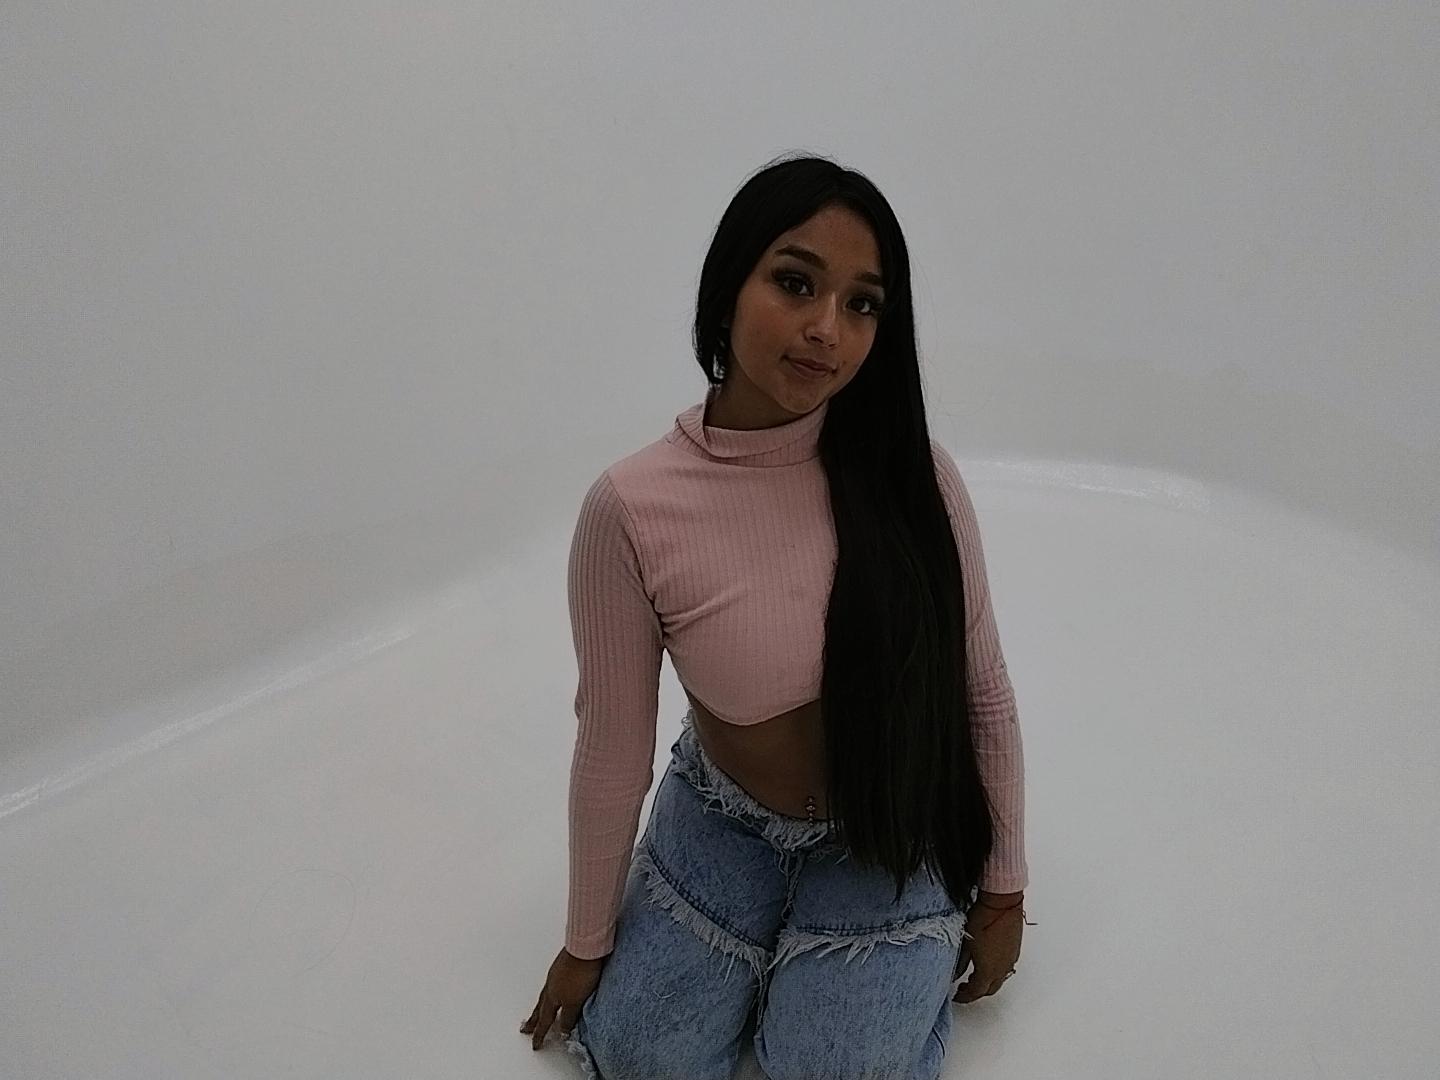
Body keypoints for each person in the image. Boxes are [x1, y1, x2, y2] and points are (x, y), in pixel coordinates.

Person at [521, 152, 1031, 1079]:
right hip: (727, 819)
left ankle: (835, 964)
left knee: (829, 1066)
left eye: (862, 304)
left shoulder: (916, 477)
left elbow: (982, 692)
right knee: (639, 1056)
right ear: (727, 288)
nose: (827, 329)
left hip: (888, 829)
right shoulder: (631, 510)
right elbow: (611, 747)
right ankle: (764, 949)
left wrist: (1002, 893)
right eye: (796, 283)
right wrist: (586, 941)